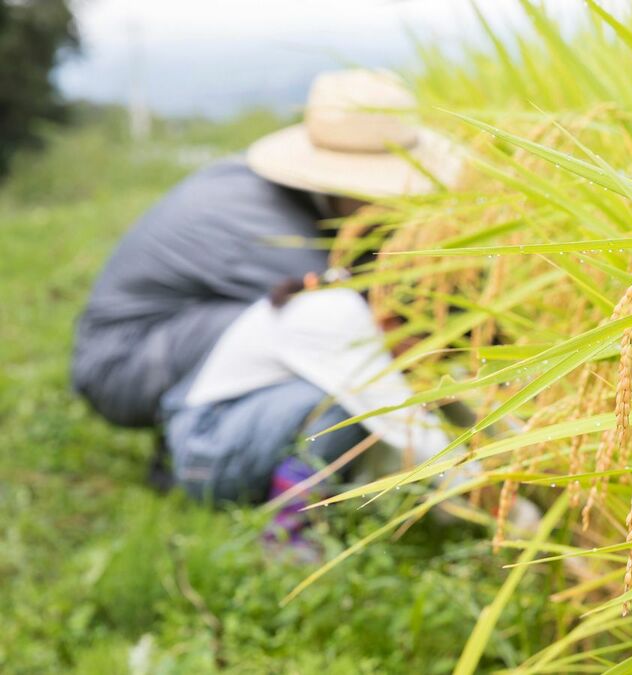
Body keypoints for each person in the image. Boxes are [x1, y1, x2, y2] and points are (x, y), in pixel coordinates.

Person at [72, 70, 515, 528]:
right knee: (345, 362)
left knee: (343, 345)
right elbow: (371, 334)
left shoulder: (304, 203)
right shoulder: (275, 234)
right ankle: (197, 450)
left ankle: (234, 440)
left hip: (195, 339)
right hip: (127, 359)